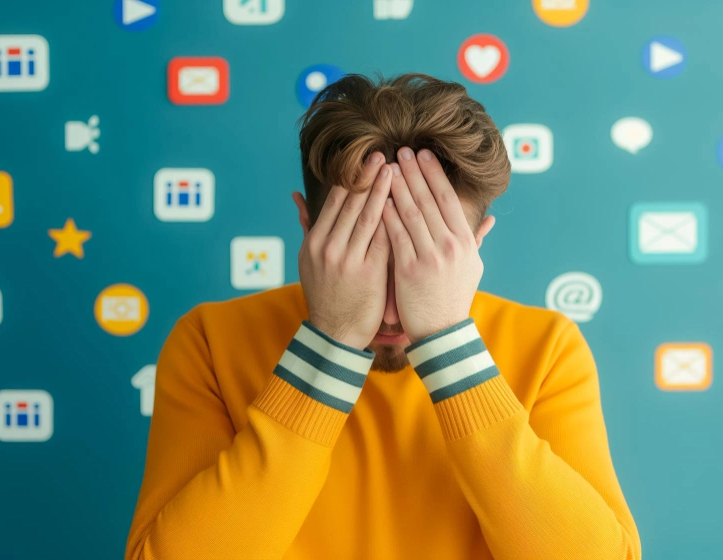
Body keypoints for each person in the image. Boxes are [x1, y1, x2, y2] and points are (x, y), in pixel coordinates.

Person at [124, 73, 641, 559]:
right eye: (363, 254)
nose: (393, 310)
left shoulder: (546, 347)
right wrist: (329, 343)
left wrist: (447, 343)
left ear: (477, 244)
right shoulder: (211, 342)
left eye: (426, 257)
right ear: (308, 226)